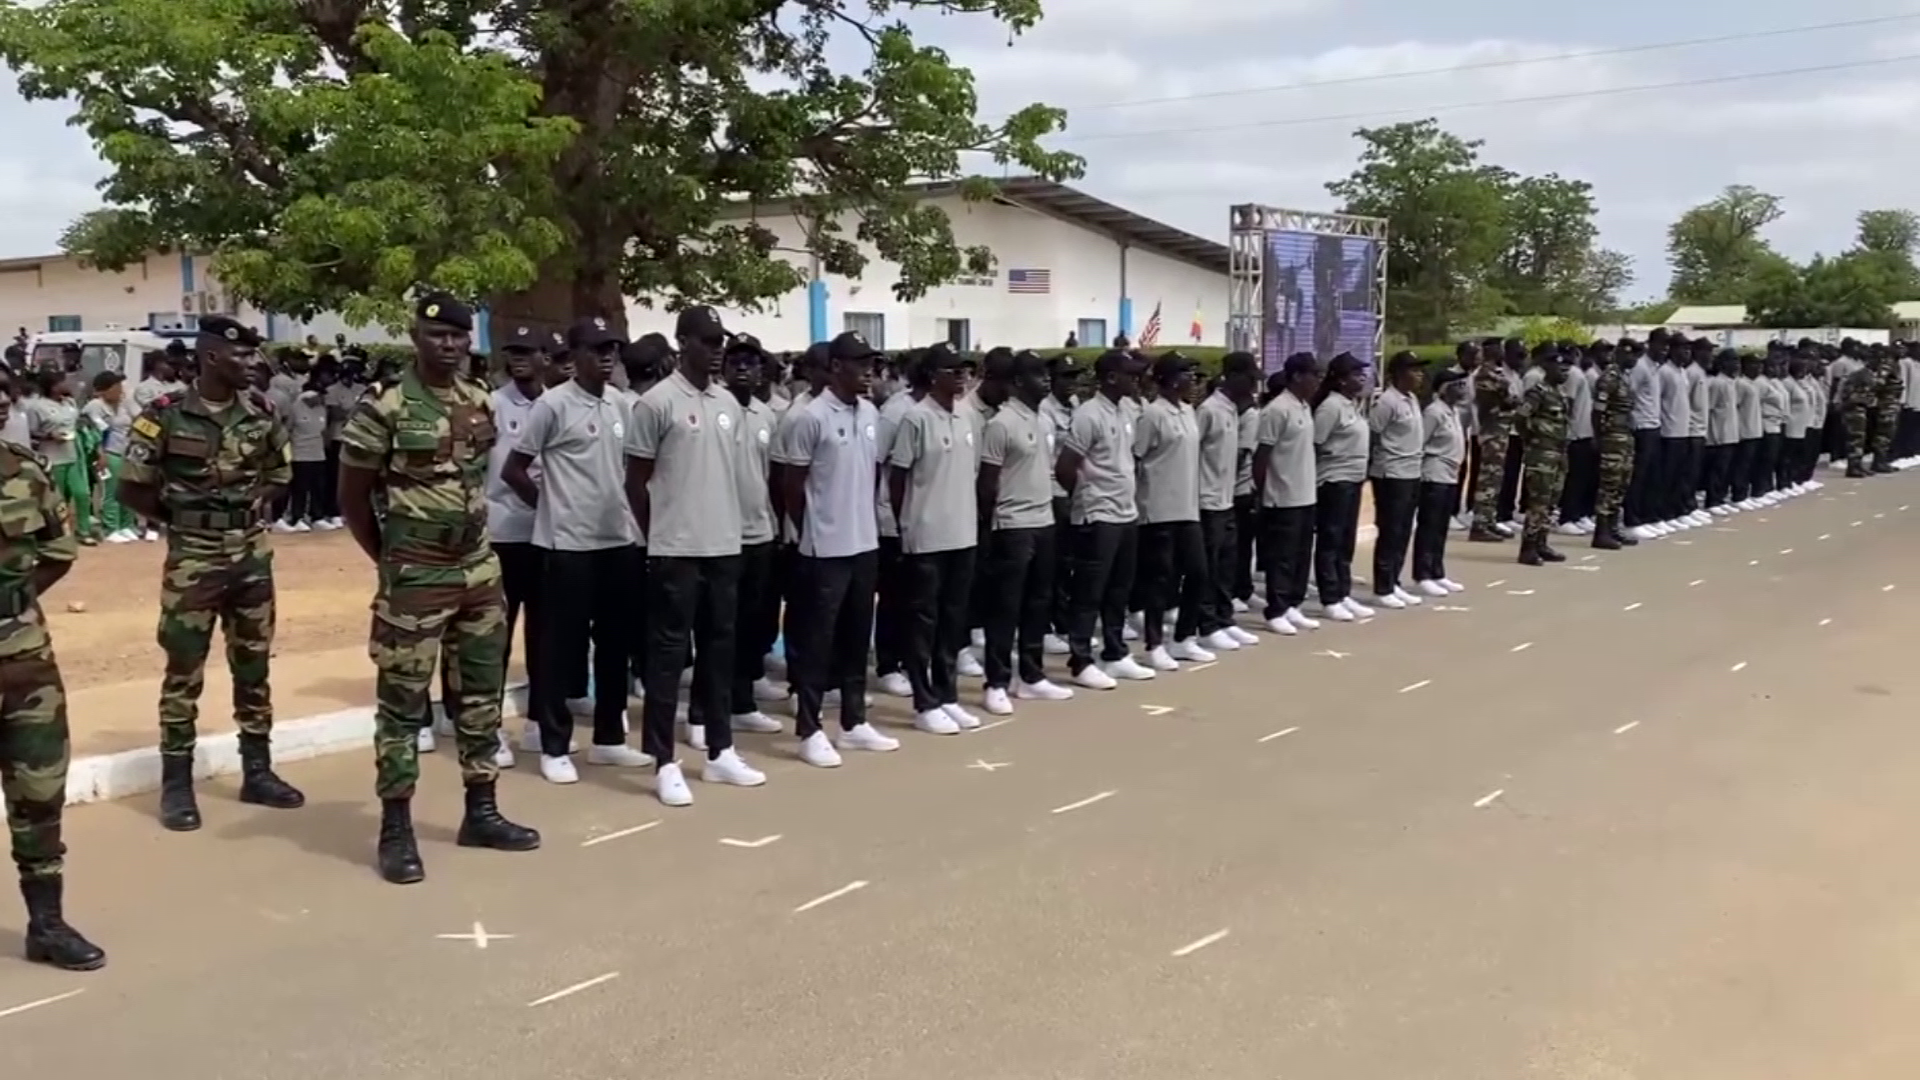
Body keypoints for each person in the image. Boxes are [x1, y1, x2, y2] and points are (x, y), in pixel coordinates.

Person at [336, 293, 539, 885]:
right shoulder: (386, 407)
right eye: (436, 336)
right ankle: (396, 828)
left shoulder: (480, 400)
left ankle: (482, 811)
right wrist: (393, 561)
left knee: (480, 695)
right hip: (415, 576)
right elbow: (353, 498)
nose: (448, 345)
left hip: (478, 570)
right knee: (402, 707)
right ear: (415, 339)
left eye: (457, 336)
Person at [117, 315, 304, 831]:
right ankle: (177, 785)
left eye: (253, 355)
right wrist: (185, 518)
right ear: (212, 356)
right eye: (242, 355)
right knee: (183, 672)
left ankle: (258, 772)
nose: (253, 364)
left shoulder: (262, 413)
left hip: (250, 556)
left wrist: (243, 511)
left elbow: (279, 474)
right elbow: (131, 488)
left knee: (254, 667)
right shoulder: (165, 415)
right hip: (193, 561)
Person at [626, 306, 767, 802]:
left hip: (725, 546)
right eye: (706, 341)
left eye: (718, 341)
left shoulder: (728, 403)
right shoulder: (656, 403)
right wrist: (658, 537)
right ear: (682, 342)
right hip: (676, 551)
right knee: (667, 658)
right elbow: (635, 482)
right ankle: (664, 761)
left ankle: (720, 751)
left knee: (720, 650)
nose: (716, 350)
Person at [504, 316, 651, 785]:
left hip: (616, 542)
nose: (607, 357)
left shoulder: (623, 406)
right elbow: (514, 469)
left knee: (614, 645)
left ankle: (609, 739)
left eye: (613, 349)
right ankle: (553, 743)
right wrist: (549, 507)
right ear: (575, 354)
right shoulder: (552, 406)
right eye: (596, 349)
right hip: (567, 546)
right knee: (560, 649)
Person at [0, 387, 105, 971]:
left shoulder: (26, 471)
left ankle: (47, 924)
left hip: (24, 661)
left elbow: (58, 551)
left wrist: (13, 603)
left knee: (39, 797)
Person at [775, 331, 901, 767]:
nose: (869, 370)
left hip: (863, 542)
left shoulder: (870, 412)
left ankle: (854, 722)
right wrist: (814, 527)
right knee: (817, 642)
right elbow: (793, 486)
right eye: (858, 362)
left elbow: (873, 473)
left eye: (871, 362)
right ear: (835, 367)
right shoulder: (810, 417)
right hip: (823, 549)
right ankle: (810, 729)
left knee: (854, 637)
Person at [889, 342, 983, 733]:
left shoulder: (966, 417)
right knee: (922, 623)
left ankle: (947, 696)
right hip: (927, 537)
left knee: (951, 621)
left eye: (963, 369)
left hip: (963, 534)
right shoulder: (915, 419)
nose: (960, 376)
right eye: (951, 370)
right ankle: (924, 702)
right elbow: (897, 479)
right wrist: (906, 524)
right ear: (931, 376)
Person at [975, 349, 1075, 715]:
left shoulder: (1044, 420)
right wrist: (991, 527)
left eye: (1046, 374)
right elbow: (987, 484)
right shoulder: (1001, 424)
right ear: (1018, 382)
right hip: (1013, 526)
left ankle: (1030, 677)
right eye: (1037, 375)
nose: (1046, 380)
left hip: (1043, 520)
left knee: (1038, 603)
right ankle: (996, 681)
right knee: (1005, 608)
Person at [1056, 349, 1152, 687]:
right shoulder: (1088, 414)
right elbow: (1066, 466)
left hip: (1126, 512)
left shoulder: (1126, 410)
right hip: (1098, 514)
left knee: (1119, 588)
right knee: (1089, 591)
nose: (1136, 379)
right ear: (1111, 377)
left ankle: (1115, 653)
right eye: (1129, 373)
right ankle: (1081, 660)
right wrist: (1085, 498)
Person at [483, 325, 548, 760]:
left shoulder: (557, 404)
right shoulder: (491, 404)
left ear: (546, 355)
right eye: (512, 351)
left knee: (545, 636)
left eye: (527, 351)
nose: (518, 358)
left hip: (545, 536)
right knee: (494, 638)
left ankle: (540, 723)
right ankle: (488, 729)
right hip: (502, 533)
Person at [720, 335, 785, 736]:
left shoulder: (766, 416)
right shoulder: (717, 409)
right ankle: (716, 702)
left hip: (760, 532)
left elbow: (772, 478)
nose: (743, 368)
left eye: (751, 362)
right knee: (720, 625)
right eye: (735, 361)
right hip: (723, 534)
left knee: (753, 621)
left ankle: (744, 698)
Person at [1252, 352, 1322, 635]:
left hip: (1306, 493)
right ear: (1296, 376)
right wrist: (1264, 491)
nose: (1318, 380)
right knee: (1282, 555)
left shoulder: (1304, 407)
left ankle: (1293, 603)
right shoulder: (1276, 410)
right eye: (1313, 374)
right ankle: (1276, 609)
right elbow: (1262, 456)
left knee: (1302, 553)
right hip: (1283, 495)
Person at [872, 350, 927, 699]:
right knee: (893, 596)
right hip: (890, 518)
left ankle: (912, 659)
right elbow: (876, 461)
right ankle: (888, 665)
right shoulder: (896, 410)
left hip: (922, 520)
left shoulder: (940, 412)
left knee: (916, 598)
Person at [1197, 351, 1260, 646]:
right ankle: (1207, 624)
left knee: (1227, 564)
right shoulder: (1209, 410)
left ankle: (1224, 618)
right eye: (1249, 379)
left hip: (1228, 497)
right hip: (1207, 499)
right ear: (1232, 376)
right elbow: (1193, 453)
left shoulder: (1235, 409)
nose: (1253, 385)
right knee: (1208, 567)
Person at [1309, 353, 1371, 620]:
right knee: (1330, 539)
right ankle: (1330, 596)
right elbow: (1315, 443)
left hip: (1353, 479)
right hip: (1334, 479)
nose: (1363, 379)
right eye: (1356, 374)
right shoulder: (1331, 407)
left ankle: (1343, 592)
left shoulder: (1351, 404)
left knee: (1346, 540)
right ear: (1341, 380)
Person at [1367, 351, 1426, 609]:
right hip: (1392, 473)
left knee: (1403, 529)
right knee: (1390, 530)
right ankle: (1383, 586)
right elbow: (1373, 433)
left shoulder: (1411, 398)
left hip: (1412, 470)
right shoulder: (1387, 401)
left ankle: (1395, 580)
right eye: (1414, 370)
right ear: (1399, 373)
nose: (1420, 374)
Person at [1412, 370, 1467, 597]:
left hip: (1450, 475)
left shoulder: (1453, 411)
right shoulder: (1434, 413)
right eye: (1458, 385)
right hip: (1434, 474)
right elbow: (1420, 442)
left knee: (1441, 528)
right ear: (1444, 388)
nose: (1463, 388)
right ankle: (1423, 574)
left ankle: (1437, 571)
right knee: (1429, 527)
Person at [1517, 348, 1570, 566]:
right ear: (1547, 368)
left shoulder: (1560, 393)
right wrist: (1532, 441)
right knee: (1538, 503)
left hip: (1558, 453)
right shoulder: (1538, 392)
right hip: (1541, 455)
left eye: (1566, 367)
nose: (1565, 371)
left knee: (1551, 503)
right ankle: (1528, 548)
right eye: (1560, 367)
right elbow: (1520, 419)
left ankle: (1542, 543)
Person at [27, 369, 92, 545]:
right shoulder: (37, 407)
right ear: (53, 386)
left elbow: (75, 422)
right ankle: (60, 533)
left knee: (82, 493)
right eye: (62, 383)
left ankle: (84, 530)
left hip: (72, 454)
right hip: (52, 457)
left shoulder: (69, 402)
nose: (67, 385)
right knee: (58, 499)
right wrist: (49, 436)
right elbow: (31, 433)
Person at [1588, 340, 1637, 550]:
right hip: (1612, 438)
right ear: (1618, 356)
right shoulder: (1609, 379)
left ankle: (1614, 528)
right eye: (1629, 355)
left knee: (1621, 483)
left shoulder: (1624, 378)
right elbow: (1598, 411)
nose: (1633, 359)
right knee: (1609, 485)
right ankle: (1601, 532)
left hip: (1624, 437)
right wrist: (1600, 437)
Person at [1467, 339, 1517, 542]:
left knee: (1496, 479)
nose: (1502, 351)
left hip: (1501, 429)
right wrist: (1509, 400)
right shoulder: (1485, 374)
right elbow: (1496, 401)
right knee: (1488, 479)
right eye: (1500, 348)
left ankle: (1489, 520)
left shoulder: (1497, 372)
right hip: (1492, 430)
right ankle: (1479, 524)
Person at [81, 370, 138, 543]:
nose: (120, 390)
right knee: (111, 491)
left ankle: (127, 525)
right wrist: (101, 455)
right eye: (116, 386)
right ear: (104, 390)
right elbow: (94, 432)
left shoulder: (125, 403)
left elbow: (139, 418)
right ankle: (111, 527)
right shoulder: (95, 406)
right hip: (108, 452)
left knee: (130, 490)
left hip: (128, 452)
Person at [279, 373, 331, 530]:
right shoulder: (295, 408)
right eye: (319, 396)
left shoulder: (322, 409)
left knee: (318, 488)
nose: (321, 399)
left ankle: (317, 517)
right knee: (300, 489)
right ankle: (297, 517)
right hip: (300, 455)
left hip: (318, 454)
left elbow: (324, 431)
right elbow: (286, 430)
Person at [1702, 349, 1740, 515]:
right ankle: (1713, 500)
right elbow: (1709, 409)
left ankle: (1721, 497)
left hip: (1731, 432)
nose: (1737, 365)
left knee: (1726, 469)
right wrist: (1713, 433)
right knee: (1716, 470)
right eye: (1733, 361)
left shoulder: (1732, 382)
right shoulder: (1717, 383)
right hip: (1719, 434)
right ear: (1723, 363)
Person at [1730, 352, 1764, 509]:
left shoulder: (1753, 384)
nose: (1758, 368)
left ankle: (1746, 492)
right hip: (1744, 430)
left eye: (1759, 364)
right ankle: (1738, 494)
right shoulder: (1740, 384)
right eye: (1754, 364)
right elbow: (1734, 406)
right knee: (1741, 465)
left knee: (1751, 463)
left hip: (1755, 429)